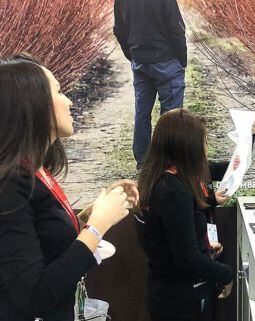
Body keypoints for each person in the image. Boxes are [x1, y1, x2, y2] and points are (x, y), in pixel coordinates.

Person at [0, 55, 137, 321]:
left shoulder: (36, 170)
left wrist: (90, 214)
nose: (70, 101)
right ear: (33, 104)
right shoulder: (10, 185)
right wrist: (97, 226)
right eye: (59, 91)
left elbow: (46, 239)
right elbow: (32, 297)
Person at [136, 109, 235, 321]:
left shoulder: (159, 179)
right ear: (188, 147)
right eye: (203, 143)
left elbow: (174, 242)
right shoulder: (172, 191)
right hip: (182, 301)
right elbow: (187, 259)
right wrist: (226, 274)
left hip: (169, 292)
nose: (205, 150)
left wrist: (204, 250)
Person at [113, 0, 188, 169]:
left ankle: (143, 161)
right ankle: (169, 162)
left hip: (140, 61)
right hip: (166, 60)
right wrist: (181, 59)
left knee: (142, 111)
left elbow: (118, 30)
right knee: (172, 115)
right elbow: (176, 28)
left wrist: (132, 55)